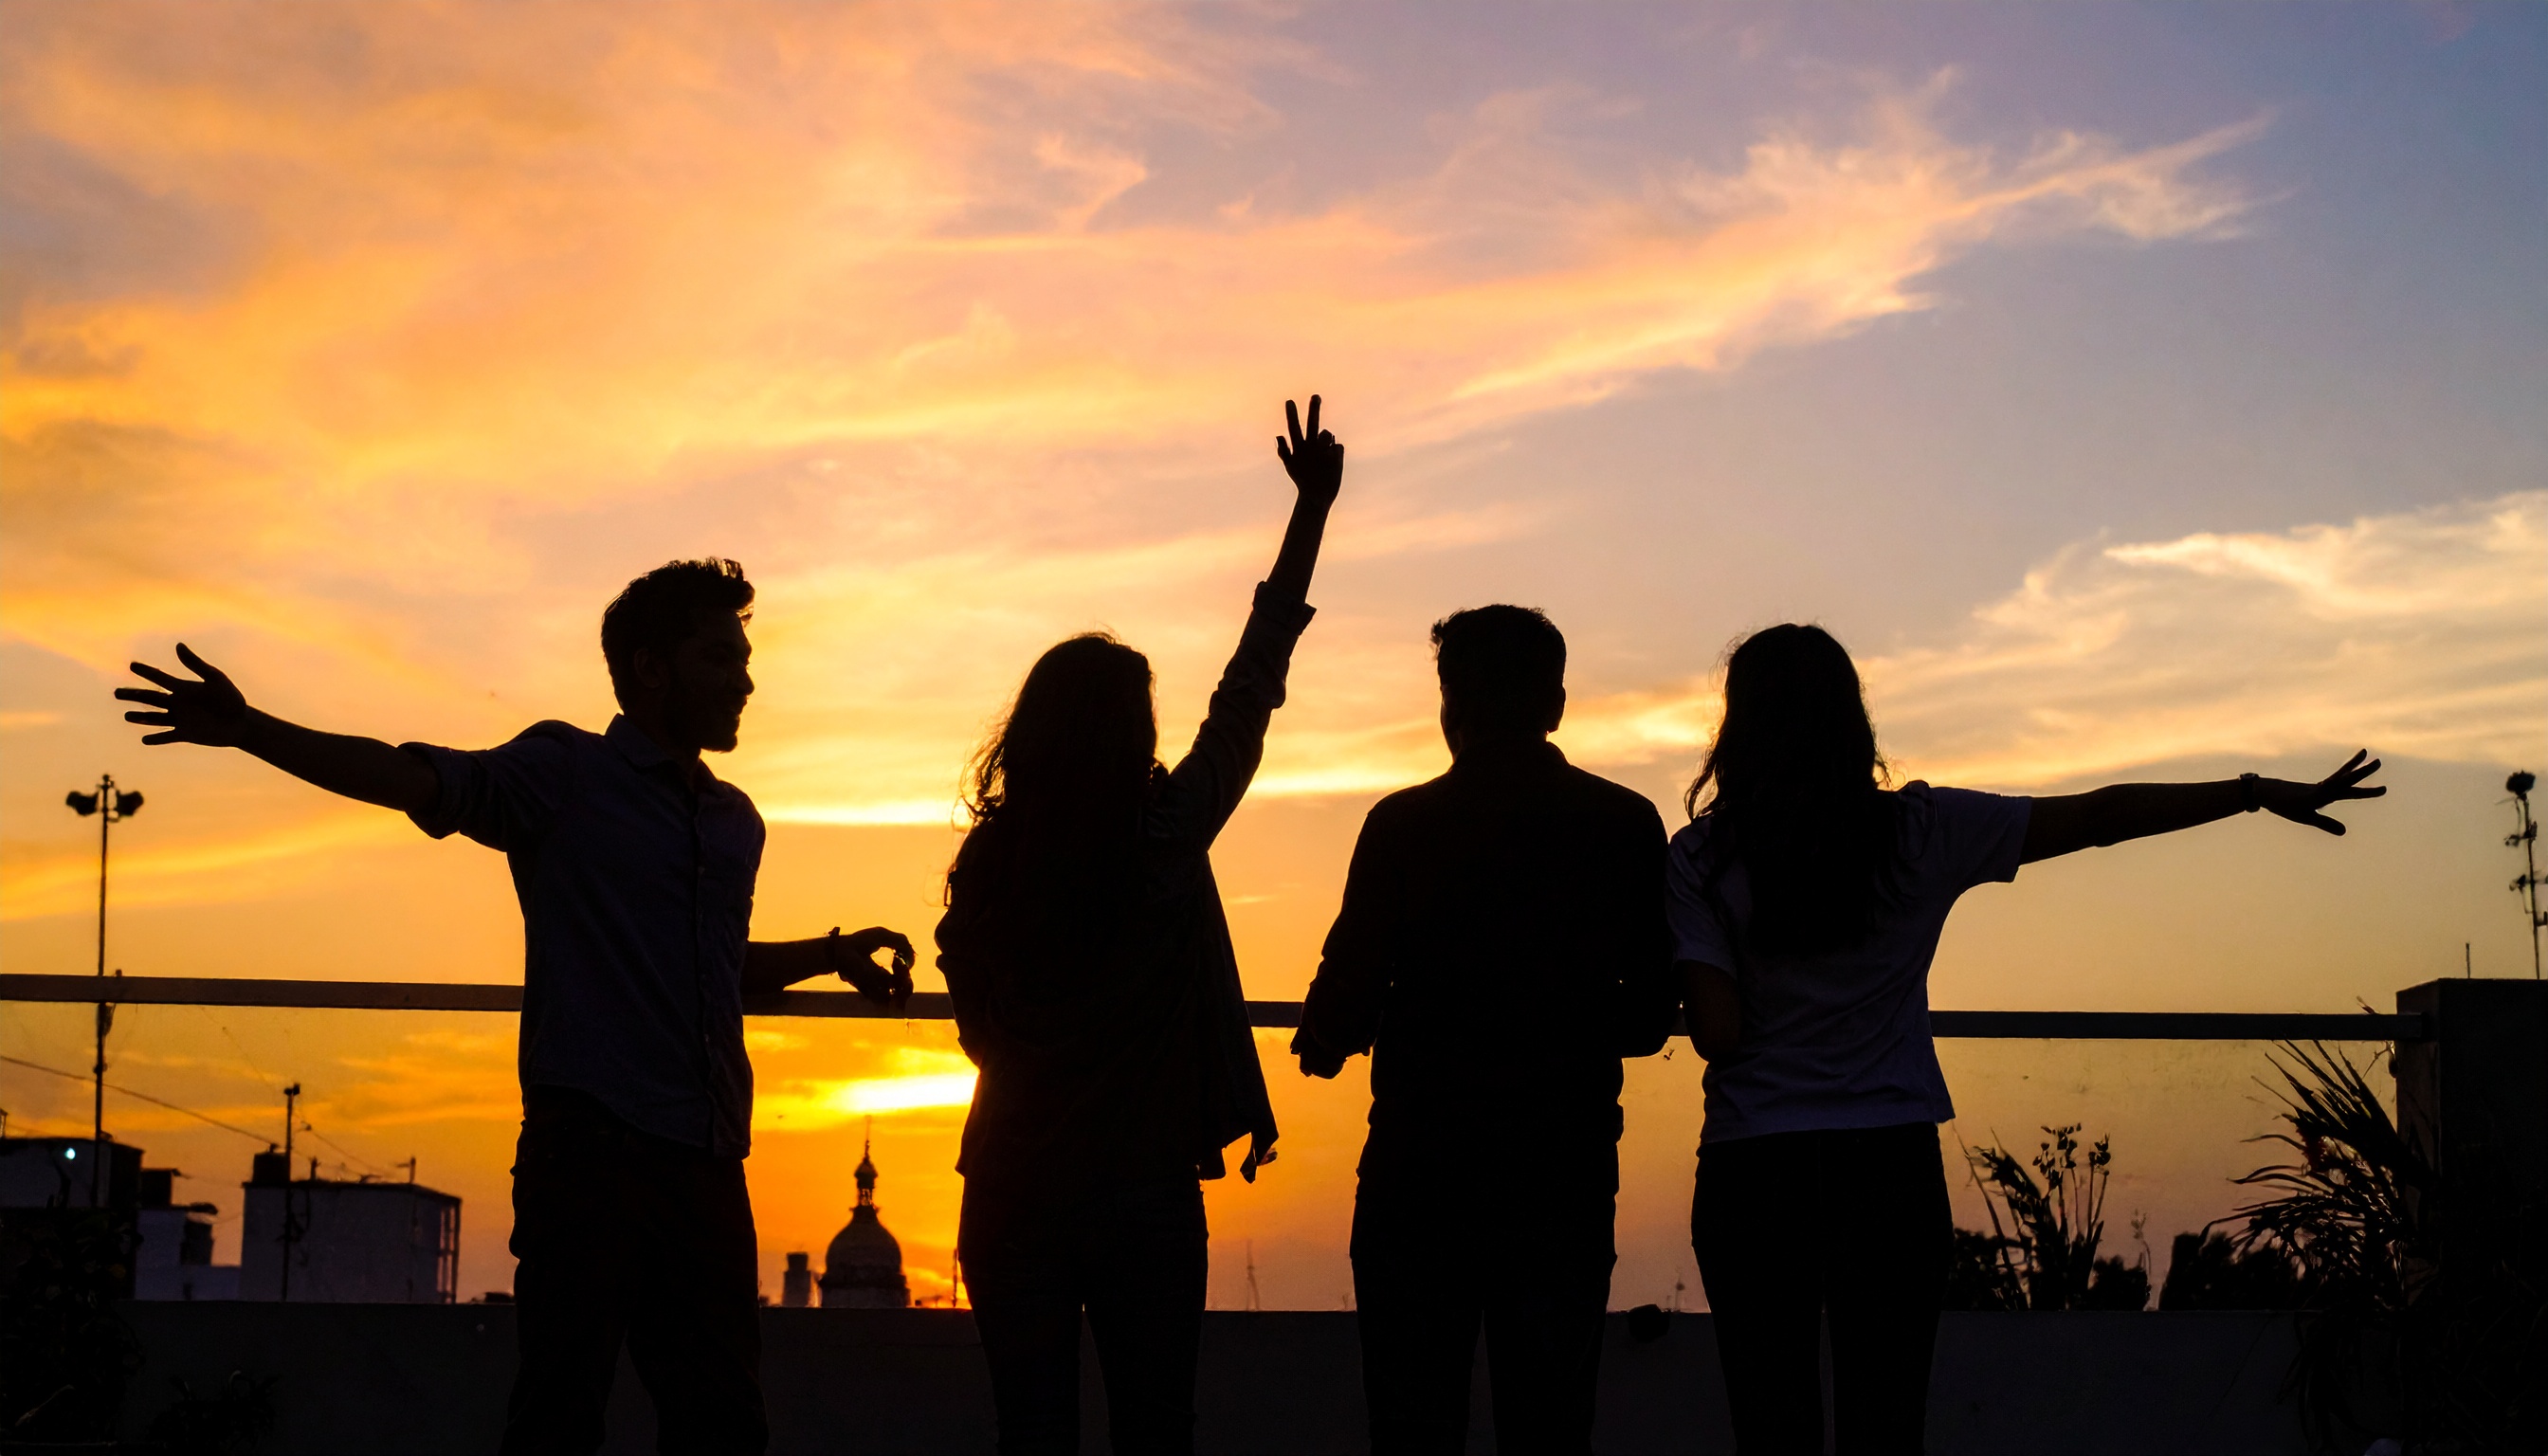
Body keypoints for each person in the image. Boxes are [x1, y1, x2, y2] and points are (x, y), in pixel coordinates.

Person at [118, 559, 918, 1455]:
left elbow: (709, 967)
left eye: (743, 658)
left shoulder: (733, 821)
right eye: (720, 658)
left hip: (706, 1166)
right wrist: (251, 729)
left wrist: (829, 956)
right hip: (591, 1162)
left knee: (724, 1427)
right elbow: (410, 778)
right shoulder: (564, 772)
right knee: (559, 1417)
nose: (745, 680)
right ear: (650, 668)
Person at [1667, 622, 2386, 1453]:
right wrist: (2252, 791)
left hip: (1754, 1174)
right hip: (1887, 1169)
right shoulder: (1920, 831)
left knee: (1770, 1429)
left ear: (1738, 725)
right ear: (1849, 720)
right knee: (1887, 1426)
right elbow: (2100, 818)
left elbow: (1716, 1034)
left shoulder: (1700, 858)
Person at [936, 397, 1345, 1456]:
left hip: (1013, 1186)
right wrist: (1310, 517)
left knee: (1031, 1430)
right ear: (1135, 732)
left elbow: (974, 1021)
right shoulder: (1165, 838)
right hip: (1143, 1193)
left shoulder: (989, 860)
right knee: (1157, 1431)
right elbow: (1251, 690)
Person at [1292, 604, 1677, 1455]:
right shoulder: (1624, 824)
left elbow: (1339, 1008)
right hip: (1563, 1174)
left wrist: (1330, 1041)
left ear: (1450, 704)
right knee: (1549, 1426)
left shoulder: (1401, 826)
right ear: (1556, 705)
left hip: (1417, 1175)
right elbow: (1652, 1017)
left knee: (1411, 1424)